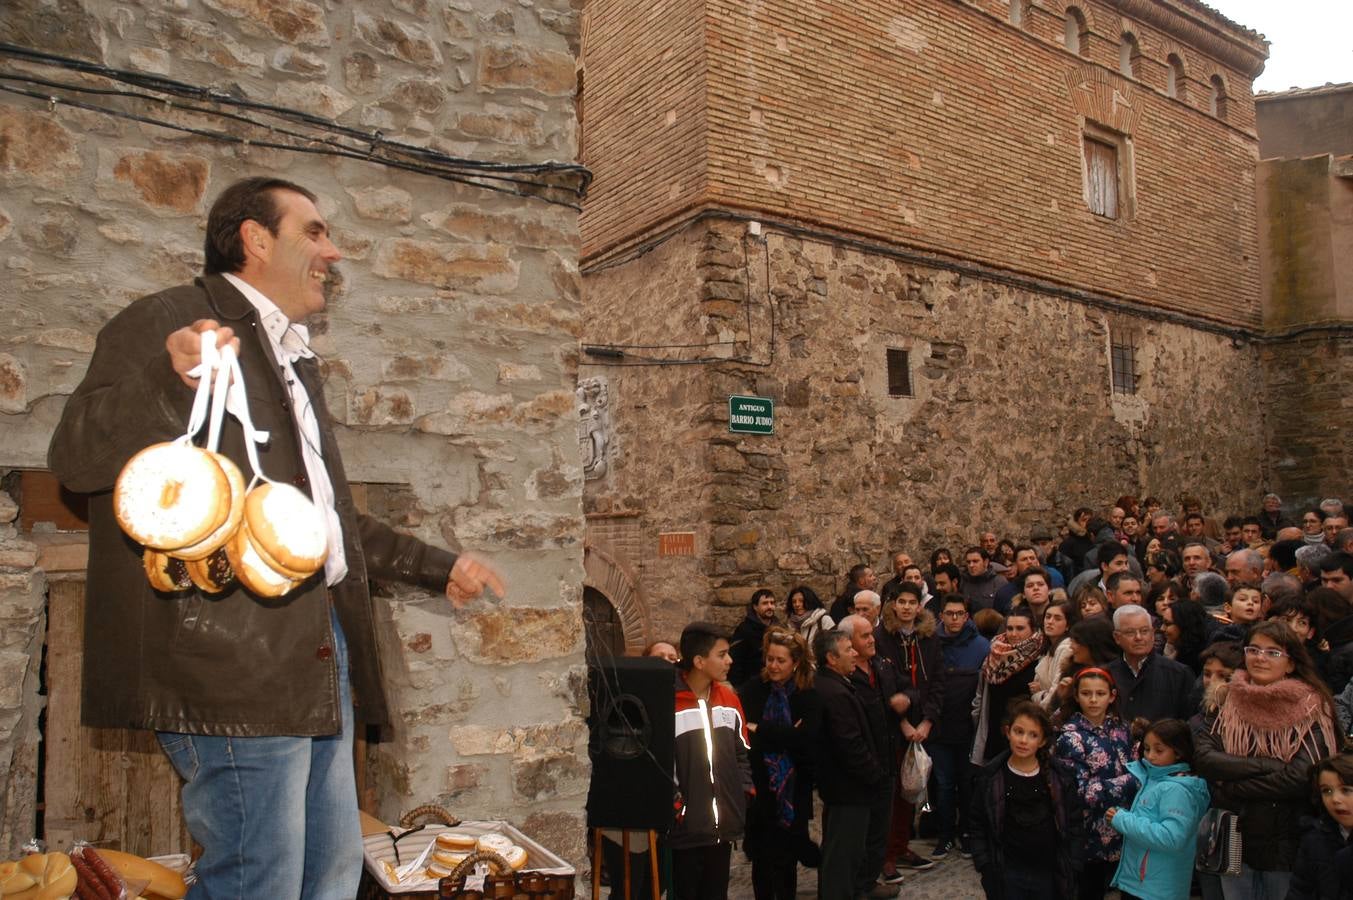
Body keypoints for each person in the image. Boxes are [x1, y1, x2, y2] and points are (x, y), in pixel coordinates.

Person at [47, 177, 506, 899]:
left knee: (326, 876)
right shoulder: (166, 320)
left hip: (316, 650)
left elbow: (317, 519)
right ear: (255, 240)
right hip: (231, 661)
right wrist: (169, 381)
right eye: (315, 232)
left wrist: (436, 566)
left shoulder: (289, 355)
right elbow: (73, 458)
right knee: (255, 880)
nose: (335, 250)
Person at [1194, 620, 1340, 900]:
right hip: (1234, 835)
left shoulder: (1313, 707)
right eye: (1254, 649)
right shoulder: (1225, 700)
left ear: (1290, 663)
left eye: (1273, 652)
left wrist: (1232, 786)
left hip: (1285, 839)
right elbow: (1205, 758)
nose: (1260, 657)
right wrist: (1270, 766)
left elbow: (1300, 777)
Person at [671, 622, 753, 900]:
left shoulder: (729, 699)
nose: (729, 661)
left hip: (723, 826)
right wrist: (677, 808)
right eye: (722, 654)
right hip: (685, 831)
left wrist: (743, 792)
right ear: (699, 661)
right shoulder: (669, 703)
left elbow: (741, 752)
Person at [738, 628, 822, 900]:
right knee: (762, 859)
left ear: (795, 662)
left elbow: (805, 741)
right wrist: (784, 734)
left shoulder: (806, 694)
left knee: (786, 860)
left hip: (793, 789)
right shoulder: (753, 690)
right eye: (770, 659)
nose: (773, 666)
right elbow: (745, 735)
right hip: (760, 787)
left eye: (780, 660)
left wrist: (762, 729)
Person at [813, 628, 894, 900]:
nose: (855, 654)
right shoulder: (835, 693)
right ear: (831, 658)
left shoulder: (834, 685)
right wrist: (874, 774)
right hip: (848, 789)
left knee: (848, 852)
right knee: (842, 857)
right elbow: (850, 744)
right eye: (848, 649)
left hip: (847, 787)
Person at [968, 701, 1078, 899]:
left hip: (1048, 873)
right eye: (1019, 732)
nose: (1024, 740)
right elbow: (977, 822)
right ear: (1008, 732)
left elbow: (1074, 822)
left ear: (1043, 741)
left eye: (1033, 735)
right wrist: (984, 864)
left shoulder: (1059, 778)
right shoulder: (991, 777)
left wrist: (1073, 864)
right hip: (1007, 873)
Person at [873, 584, 942, 877]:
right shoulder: (881, 638)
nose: (906, 607)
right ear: (893, 605)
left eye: (912, 602)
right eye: (901, 602)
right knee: (891, 792)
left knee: (911, 789)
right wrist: (901, 723)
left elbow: (937, 682)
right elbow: (884, 684)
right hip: (893, 726)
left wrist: (927, 721)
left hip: (921, 726)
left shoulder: (928, 637)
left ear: (919, 606)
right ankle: (886, 852)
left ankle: (901, 845)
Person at [1052, 668, 1137, 900]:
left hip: (1125, 829)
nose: (1093, 699)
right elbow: (1080, 792)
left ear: (1111, 696)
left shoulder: (1122, 729)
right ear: (1076, 696)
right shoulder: (1070, 737)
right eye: (1086, 693)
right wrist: (1131, 781)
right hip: (1089, 835)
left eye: (1100, 693)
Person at [1106, 719, 1211, 900]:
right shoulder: (1155, 779)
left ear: (1178, 752)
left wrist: (1122, 820)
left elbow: (1171, 838)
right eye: (1146, 749)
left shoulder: (1176, 789)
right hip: (1141, 883)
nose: (1150, 756)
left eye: (1159, 750)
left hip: (1156, 889)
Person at [840, 615, 905, 898]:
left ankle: (868, 883)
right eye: (864, 636)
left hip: (886, 762)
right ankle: (855, 886)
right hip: (863, 771)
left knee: (880, 831)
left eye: (871, 634)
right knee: (859, 836)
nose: (871, 640)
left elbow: (907, 687)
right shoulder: (845, 678)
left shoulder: (881, 666)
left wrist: (907, 699)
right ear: (848, 643)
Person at [930, 594, 989, 858]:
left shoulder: (981, 646)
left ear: (967, 616)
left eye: (959, 614)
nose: (954, 619)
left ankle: (966, 832)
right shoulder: (930, 643)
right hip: (940, 728)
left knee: (967, 784)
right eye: (949, 613)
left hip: (968, 728)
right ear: (941, 615)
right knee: (943, 784)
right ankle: (944, 834)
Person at [971, 609, 1044, 765]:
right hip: (992, 733)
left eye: (1020, 628)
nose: (1013, 633)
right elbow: (981, 695)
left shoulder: (1040, 660)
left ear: (1033, 630)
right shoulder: (994, 654)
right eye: (1010, 628)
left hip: (1024, 738)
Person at [1107, 605, 1194, 723]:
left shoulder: (1178, 674)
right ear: (1117, 637)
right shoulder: (1107, 674)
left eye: (1144, 631)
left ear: (1153, 634)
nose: (1138, 637)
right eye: (1130, 632)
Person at [1287, 753, 1353, 900]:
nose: (1335, 799)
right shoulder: (1314, 839)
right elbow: (1299, 892)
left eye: (1346, 790)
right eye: (1327, 791)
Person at [1031, 599, 1078, 709]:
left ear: (1068, 625)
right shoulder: (1047, 648)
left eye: (1057, 618)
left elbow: (1056, 691)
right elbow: (1033, 688)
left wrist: (1041, 695)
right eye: (1048, 617)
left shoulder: (1066, 647)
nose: (1050, 622)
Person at [730, 588, 779, 686]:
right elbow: (735, 661)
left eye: (772, 603)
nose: (770, 606)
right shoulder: (744, 630)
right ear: (755, 607)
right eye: (765, 603)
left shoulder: (779, 628)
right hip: (751, 685)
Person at [785, 584, 834, 649]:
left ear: (809, 601)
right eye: (794, 602)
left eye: (801, 601)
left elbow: (834, 646)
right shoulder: (790, 624)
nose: (797, 604)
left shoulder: (823, 620)